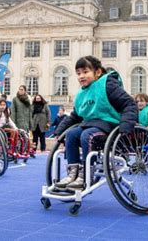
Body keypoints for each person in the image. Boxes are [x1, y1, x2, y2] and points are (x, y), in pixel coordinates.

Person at [54, 56, 137, 190]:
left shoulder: (108, 85)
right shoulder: (82, 94)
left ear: (97, 72)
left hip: (109, 125)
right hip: (91, 125)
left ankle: (86, 175)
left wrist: (126, 125)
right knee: (71, 134)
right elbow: (75, 116)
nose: (81, 76)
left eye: (85, 72)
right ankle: (72, 173)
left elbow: (129, 103)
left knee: (87, 135)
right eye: (78, 73)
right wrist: (60, 131)